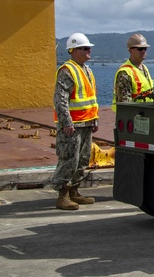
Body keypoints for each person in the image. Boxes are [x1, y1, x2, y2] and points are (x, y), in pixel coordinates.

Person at [51, 32, 100, 211]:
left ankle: (74, 191)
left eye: (89, 48)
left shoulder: (87, 70)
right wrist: (66, 123)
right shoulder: (67, 71)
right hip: (73, 125)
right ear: (73, 50)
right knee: (69, 159)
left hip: (86, 123)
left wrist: (95, 119)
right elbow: (60, 100)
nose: (89, 51)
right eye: (85, 48)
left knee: (83, 159)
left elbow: (91, 98)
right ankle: (62, 195)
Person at [113, 34, 154, 112]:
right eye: (140, 49)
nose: (143, 51)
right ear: (130, 50)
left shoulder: (144, 68)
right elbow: (124, 102)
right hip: (133, 115)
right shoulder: (125, 72)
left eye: (145, 48)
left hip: (147, 113)